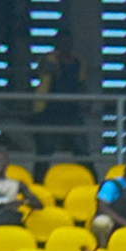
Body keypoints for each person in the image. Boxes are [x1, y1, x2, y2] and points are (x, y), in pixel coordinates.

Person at [34, 31, 90, 159]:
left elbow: (82, 82)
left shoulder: (78, 60)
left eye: (69, 42)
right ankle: (40, 177)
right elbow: (42, 69)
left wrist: (87, 102)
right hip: (49, 108)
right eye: (63, 42)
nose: (66, 45)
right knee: (45, 148)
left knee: (81, 146)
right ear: (57, 43)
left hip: (72, 108)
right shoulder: (49, 58)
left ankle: (90, 175)